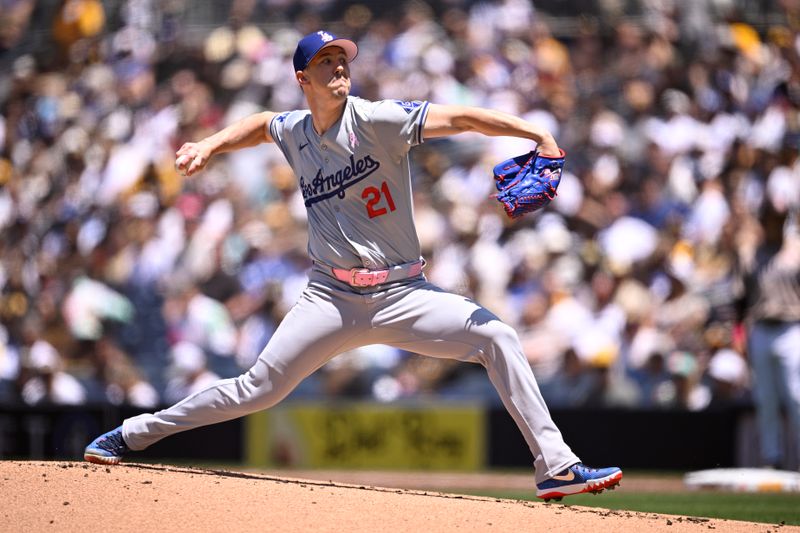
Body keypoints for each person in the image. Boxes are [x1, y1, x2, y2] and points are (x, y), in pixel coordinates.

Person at [84, 30, 622, 500]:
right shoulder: (296, 131)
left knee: (498, 337)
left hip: (402, 292)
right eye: (326, 62)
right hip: (331, 298)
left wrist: (535, 134)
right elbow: (262, 123)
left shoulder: (378, 119)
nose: (340, 67)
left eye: (343, 60)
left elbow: (459, 118)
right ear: (304, 79)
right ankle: (132, 434)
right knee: (256, 389)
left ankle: (555, 467)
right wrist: (211, 144)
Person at [737, 197, 800, 470]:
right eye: (768, 220)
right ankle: (771, 459)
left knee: (796, 395)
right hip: (761, 328)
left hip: (791, 327)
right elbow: (740, 298)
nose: (772, 225)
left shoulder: (795, 251)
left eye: (777, 220)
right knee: (766, 399)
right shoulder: (752, 254)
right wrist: (738, 333)